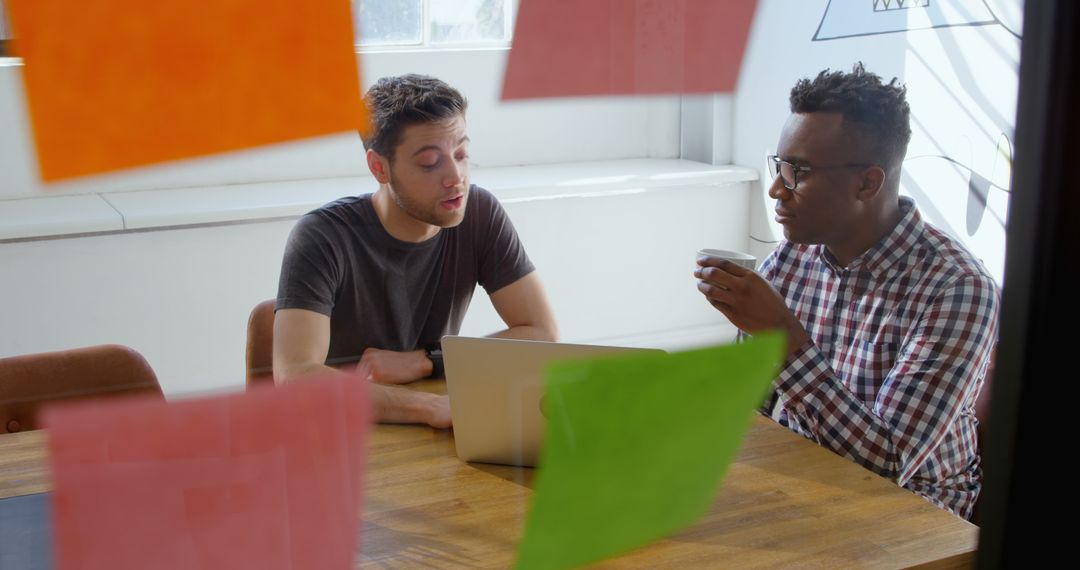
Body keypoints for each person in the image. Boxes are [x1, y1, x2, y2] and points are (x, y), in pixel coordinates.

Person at [695, 63, 998, 519]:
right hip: (801, 487)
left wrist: (783, 338)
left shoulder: (956, 289)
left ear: (868, 183)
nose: (778, 188)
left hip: (912, 518)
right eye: (779, 165)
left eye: (798, 171)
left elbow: (889, 465)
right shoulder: (793, 258)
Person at [274, 74, 558, 429]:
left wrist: (427, 361)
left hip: (434, 433)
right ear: (379, 167)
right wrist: (427, 407)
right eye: (429, 162)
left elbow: (540, 331)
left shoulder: (479, 213)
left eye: (461, 153)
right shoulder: (322, 236)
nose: (456, 177)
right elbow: (296, 376)